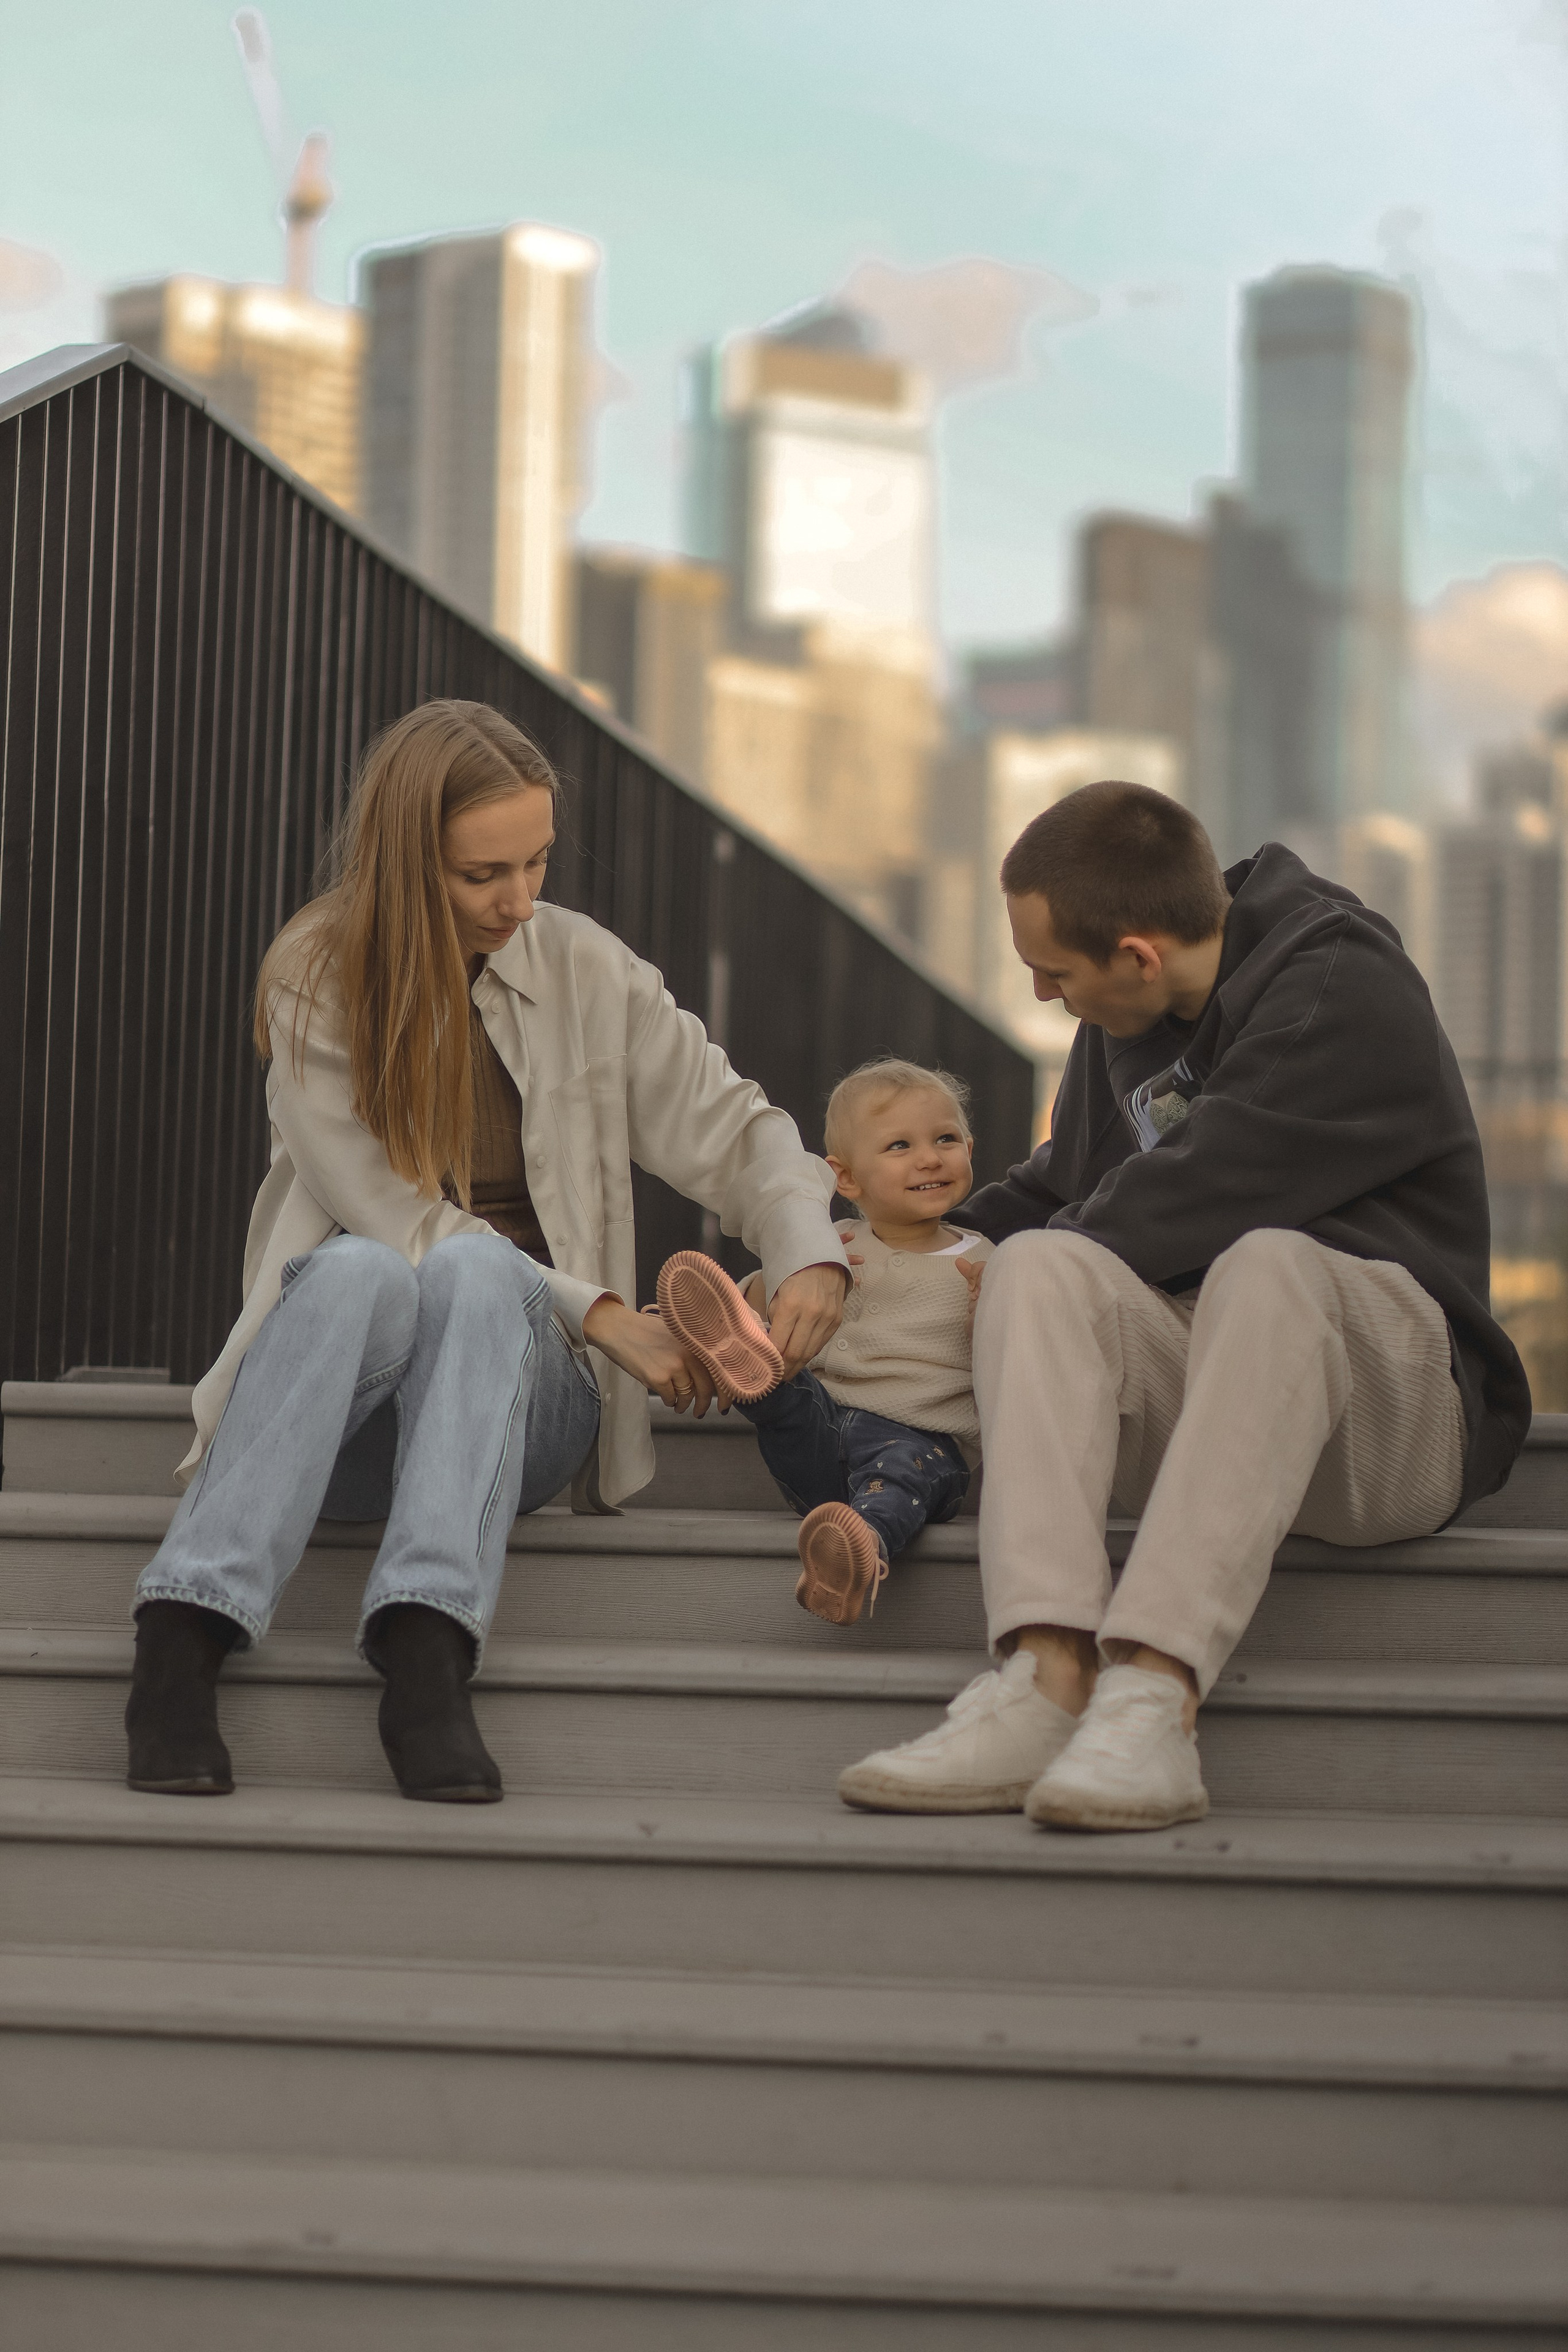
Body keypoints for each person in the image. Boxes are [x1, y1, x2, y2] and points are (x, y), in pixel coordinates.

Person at [126, 700, 848, 1804]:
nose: (520, 901)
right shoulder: (317, 975)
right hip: (342, 1410)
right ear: (408, 861)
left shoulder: (584, 968)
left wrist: (810, 1252)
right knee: (381, 1263)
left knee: (474, 1279)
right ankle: (182, 1638)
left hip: (524, 1409)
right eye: (482, 876)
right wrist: (610, 1316)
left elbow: (734, 1126)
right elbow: (391, 1212)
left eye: (538, 862)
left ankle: (424, 1649)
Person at [839, 781, 1529, 1829]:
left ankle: (1154, 1700)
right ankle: (1045, 1674)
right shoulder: (1129, 1018)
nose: (1040, 997)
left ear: (1139, 955)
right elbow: (1057, 1193)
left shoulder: (1337, 983)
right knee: (1039, 1267)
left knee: (1266, 1263)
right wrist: (863, 1261)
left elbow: (1199, 1187)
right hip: (1229, 1399)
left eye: (1054, 975)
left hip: (1399, 1421)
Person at [661, 1061, 995, 1626]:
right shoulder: (829, 1246)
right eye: (899, 1146)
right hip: (825, 1427)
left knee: (902, 1475)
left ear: (970, 1147)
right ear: (846, 1179)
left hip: (924, 1441)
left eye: (946, 1139)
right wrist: (778, 1281)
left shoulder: (986, 1260)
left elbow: (1002, 1364)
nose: (930, 1157)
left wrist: (990, 1312)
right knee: (786, 1393)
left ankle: (856, 1551)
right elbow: (787, 1301)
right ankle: (741, 1354)